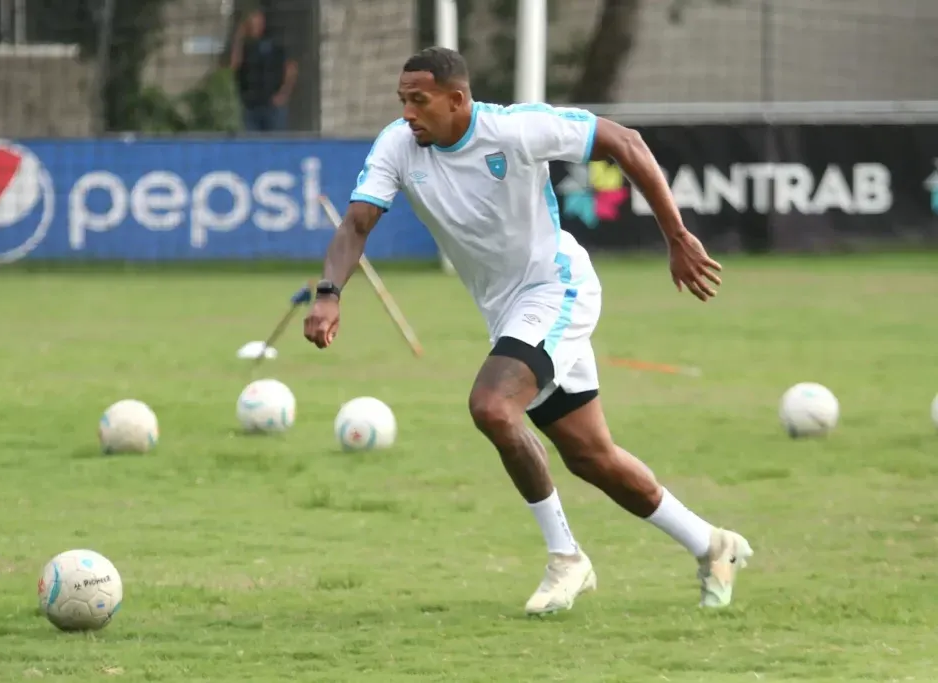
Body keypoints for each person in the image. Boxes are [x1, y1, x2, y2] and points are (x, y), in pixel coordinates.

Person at [303, 47, 753, 615]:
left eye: (419, 101)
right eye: (403, 101)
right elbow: (357, 223)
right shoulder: (397, 144)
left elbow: (627, 142)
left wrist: (677, 236)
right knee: (591, 456)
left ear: (457, 99)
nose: (408, 113)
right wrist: (328, 293)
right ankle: (713, 544)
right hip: (506, 311)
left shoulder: (516, 130)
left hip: (556, 288)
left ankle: (567, 559)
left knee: (492, 407)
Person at [230, 9, 297, 132]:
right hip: (250, 106)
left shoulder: (275, 42)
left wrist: (284, 94)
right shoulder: (245, 46)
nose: (254, 26)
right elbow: (234, 65)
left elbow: (291, 68)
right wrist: (239, 38)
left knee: (276, 145)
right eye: (251, 22)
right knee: (252, 146)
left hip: (272, 105)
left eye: (257, 21)